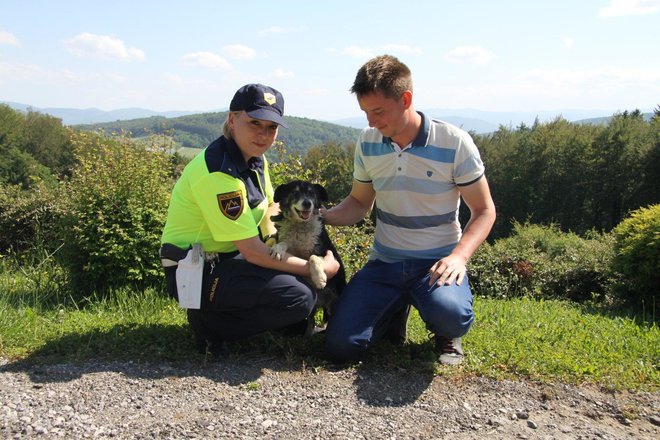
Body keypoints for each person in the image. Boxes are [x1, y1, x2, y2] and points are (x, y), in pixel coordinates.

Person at [322, 55, 496, 365]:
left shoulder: (455, 143)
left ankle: (447, 334)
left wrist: (458, 257)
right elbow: (360, 202)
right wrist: (322, 216)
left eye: (378, 112)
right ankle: (393, 309)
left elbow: (484, 210)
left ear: (405, 99)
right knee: (340, 346)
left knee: (451, 315)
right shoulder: (368, 142)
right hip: (384, 263)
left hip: (436, 264)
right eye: (365, 113)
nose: (371, 122)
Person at [160, 83, 341, 356]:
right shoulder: (219, 173)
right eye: (254, 122)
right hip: (197, 272)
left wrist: (273, 240)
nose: (263, 134)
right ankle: (209, 325)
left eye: (271, 127)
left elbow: (269, 206)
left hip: (232, 262)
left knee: (297, 288)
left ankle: (256, 320)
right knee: (300, 295)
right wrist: (318, 268)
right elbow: (255, 254)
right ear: (232, 119)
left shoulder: (255, 160)